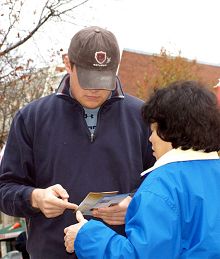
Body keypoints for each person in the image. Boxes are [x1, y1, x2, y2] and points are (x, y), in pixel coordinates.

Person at [0, 26, 155, 259]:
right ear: (68, 64)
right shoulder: (31, 118)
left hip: (123, 251)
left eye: (103, 80)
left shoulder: (144, 116)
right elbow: (5, 189)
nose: (94, 89)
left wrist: (135, 204)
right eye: (87, 79)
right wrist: (35, 198)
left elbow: (162, 183)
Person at [64, 80, 220, 258]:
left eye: (154, 130)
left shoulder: (163, 184)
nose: (150, 138)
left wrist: (85, 236)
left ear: (172, 130)